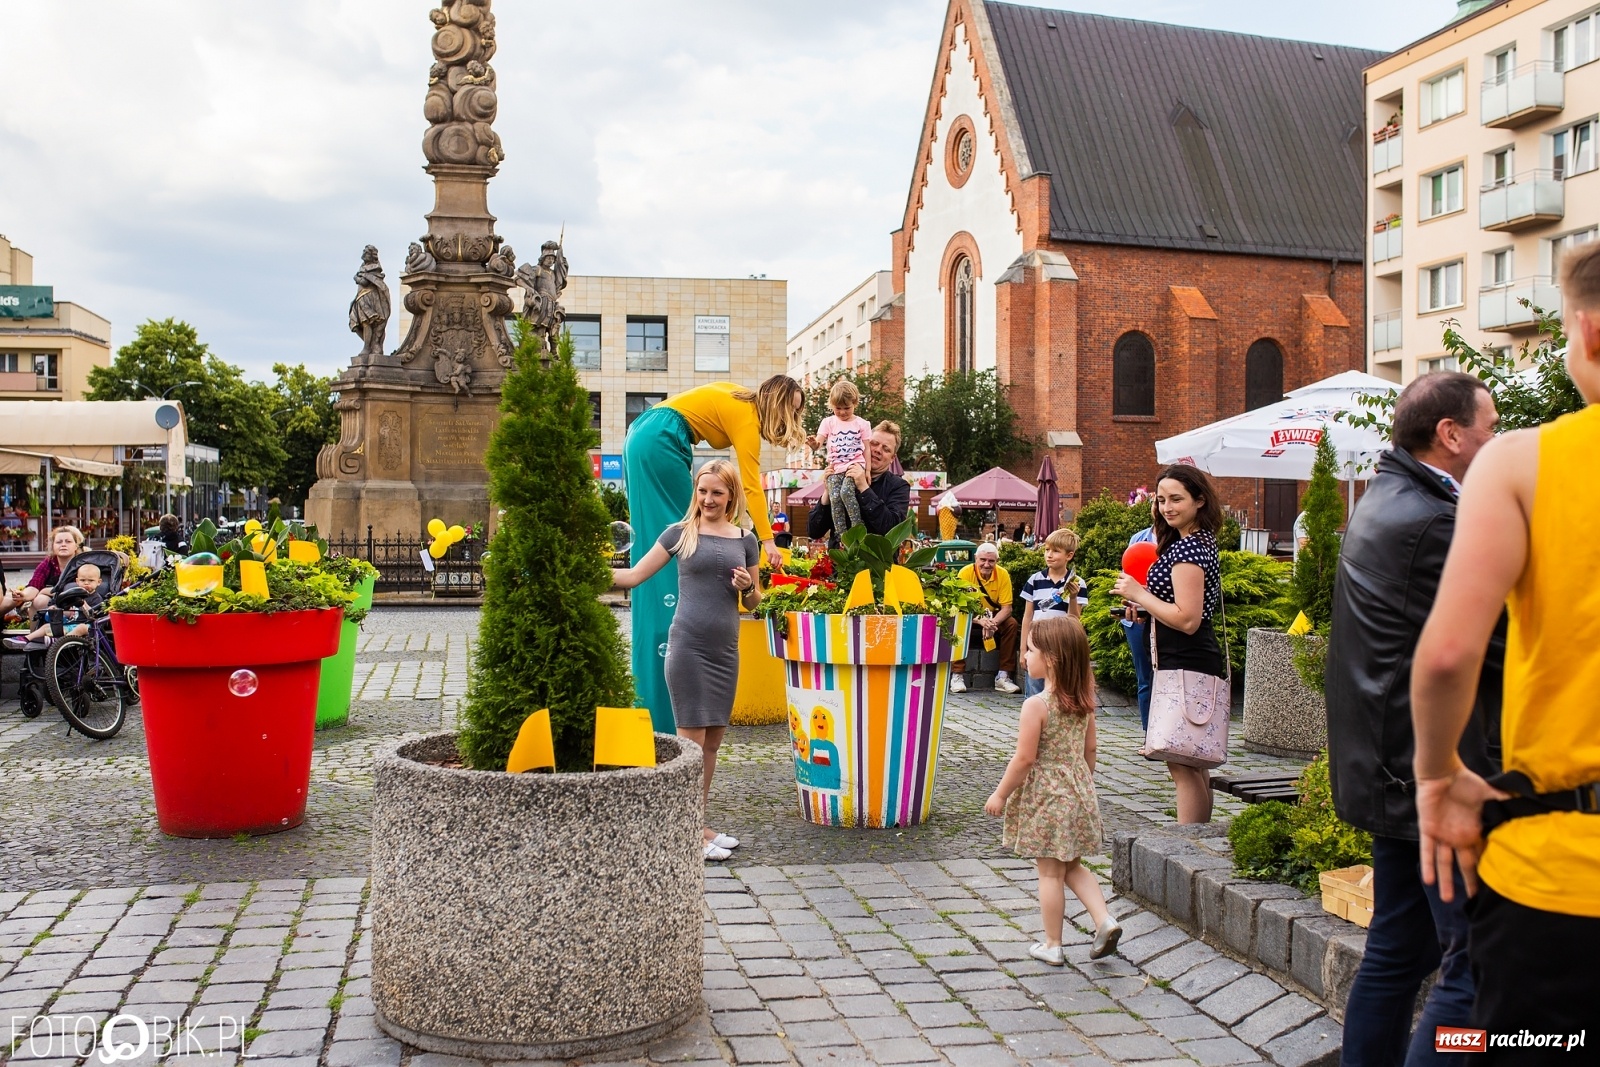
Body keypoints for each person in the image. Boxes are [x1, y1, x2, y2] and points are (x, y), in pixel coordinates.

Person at [1411, 240, 1600, 1044]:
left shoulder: (1525, 462)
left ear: (1591, 334)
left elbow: (1449, 653)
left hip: (1564, 876)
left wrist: (1437, 774)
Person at [1324, 371, 1502, 1067]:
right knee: (1475, 959)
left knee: (1402, 946)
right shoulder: (1437, 520)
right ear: (1451, 434)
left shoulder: (1391, 498)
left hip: (1389, 766)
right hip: (1428, 768)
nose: (1497, 440)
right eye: (1489, 428)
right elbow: (1500, 637)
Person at [623, 376, 806, 733]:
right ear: (777, 403)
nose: (790, 420)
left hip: (644, 431)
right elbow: (751, 484)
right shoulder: (747, 419)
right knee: (682, 543)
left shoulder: (735, 393)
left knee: (661, 546)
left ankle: (653, 705)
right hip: (661, 440)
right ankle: (665, 715)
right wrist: (767, 541)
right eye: (791, 411)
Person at [611, 459, 761, 862]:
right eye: (702, 490)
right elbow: (632, 577)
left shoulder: (746, 538)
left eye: (717, 492)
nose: (708, 499)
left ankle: (697, 822)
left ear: (731, 496)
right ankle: (685, 832)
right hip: (689, 648)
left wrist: (748, 588)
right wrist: (580, 569)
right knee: (691, 744)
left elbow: (754, 601)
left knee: (713, 743)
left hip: (725, 652)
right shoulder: (680, 534)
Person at [983, 615, 1121, 963]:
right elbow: (1090, 752)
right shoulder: (1084, 701)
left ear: (1052, 658)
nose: (1025, 657)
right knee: (1072, 865)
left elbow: (1025, 759)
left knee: (1049, 872)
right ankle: (1104, 920)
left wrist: (1000, 794)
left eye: (1030, 650)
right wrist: (1081, 784)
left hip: (1046, 796)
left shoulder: (1037, 705)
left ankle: (1052, 944)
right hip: (1077, 790)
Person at [1112, 466, 1226, 824]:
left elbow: (1188, 619)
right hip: (1187, 658)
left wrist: (1139, 594)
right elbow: (1178, 610)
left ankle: (1188, 848)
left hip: (1187, 659)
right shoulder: (1192, 540)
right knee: (1193, 761)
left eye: (1176, 499)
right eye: (1161, 500)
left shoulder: (1189, 549)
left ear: (1200, 500)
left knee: (1182, 763)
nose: (1166, 507)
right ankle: (1200, 844)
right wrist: (1147, 609)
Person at [807, 421, 912, 547]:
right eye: (874, 443)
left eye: (886, 449)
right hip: (841, 563)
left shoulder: (899, 486)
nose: (878, 450)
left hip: (876, 563)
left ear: (892, 458)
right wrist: (828, 492)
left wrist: (864, 487)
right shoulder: (841, 477)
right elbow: (814, 531)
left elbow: (890, 528)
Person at [1018, 528, 1087, 698]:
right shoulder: (1035, 580)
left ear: (1069, 556)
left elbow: (1074, 621)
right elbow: (1027, 616)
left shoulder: (1077, 583)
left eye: (1056, 551)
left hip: (1061, 642)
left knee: (1060, 690)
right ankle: (1035, 722)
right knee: (1034, 689)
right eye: (1047, 550)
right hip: (1037, 642)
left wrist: (1072, 597)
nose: (1049, 555)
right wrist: (1023, 649)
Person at [807, 380, 874, 537]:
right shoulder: (828, 423)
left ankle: (858, 527)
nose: (843, 412)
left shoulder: (861, 424)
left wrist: (868, 470)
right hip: (836, 467)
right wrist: (813, 444)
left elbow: (867, 448)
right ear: (832, 405)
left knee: (846, 492)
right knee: (834, 496)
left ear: (855, 404)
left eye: (847, 408)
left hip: (855, 465)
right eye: (838, 408)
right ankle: (842, 534)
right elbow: (819, 443)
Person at [950, 542, 1020, 694]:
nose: (986, 564)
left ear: (997, 561)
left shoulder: (1003, 574)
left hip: (993, 616)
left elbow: (1007, 608)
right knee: (958, 623)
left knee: (1011, 624)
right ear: (976, 559)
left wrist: (992, 623)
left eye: (991, 561)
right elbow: (960, 606)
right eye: (983, 560)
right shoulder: (965, 573)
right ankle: (957, 675)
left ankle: (1003, 676)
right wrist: (979, 620)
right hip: (969, 614)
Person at [4, 563, 104, 650]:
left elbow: (95, 615)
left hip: (88, 627)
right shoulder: (72, 595)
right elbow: (69, 613)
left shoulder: (96, 598)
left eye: (90, 580)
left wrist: (83, 603)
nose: (86, 583)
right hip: (70, 625)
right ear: (77, 581)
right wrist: (56, 610)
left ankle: (58, 643)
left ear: (98, 582)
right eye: (83, 580)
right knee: (46, 626)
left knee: (81, 627)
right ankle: (25, 639)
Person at [1121, 520, 1157, 729]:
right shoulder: (1138, 539)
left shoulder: (1179, 541)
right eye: (1159, 501)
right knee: (1144, 678)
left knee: (1164, 678)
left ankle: (1166, 736)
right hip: (1136, 617)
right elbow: (1129, 576)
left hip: (1164, 616)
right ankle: (1148, 733)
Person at [9, 526, 86, 618]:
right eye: (59, 542)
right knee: (38, 601)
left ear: (76, 545)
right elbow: (35, 585)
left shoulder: (83, 564)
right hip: (52, 601)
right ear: (53, 546)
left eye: (68, 541)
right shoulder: (48, 563)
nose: (63, 544)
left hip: (79, 601)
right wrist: (24, 595)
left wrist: (46, 591)